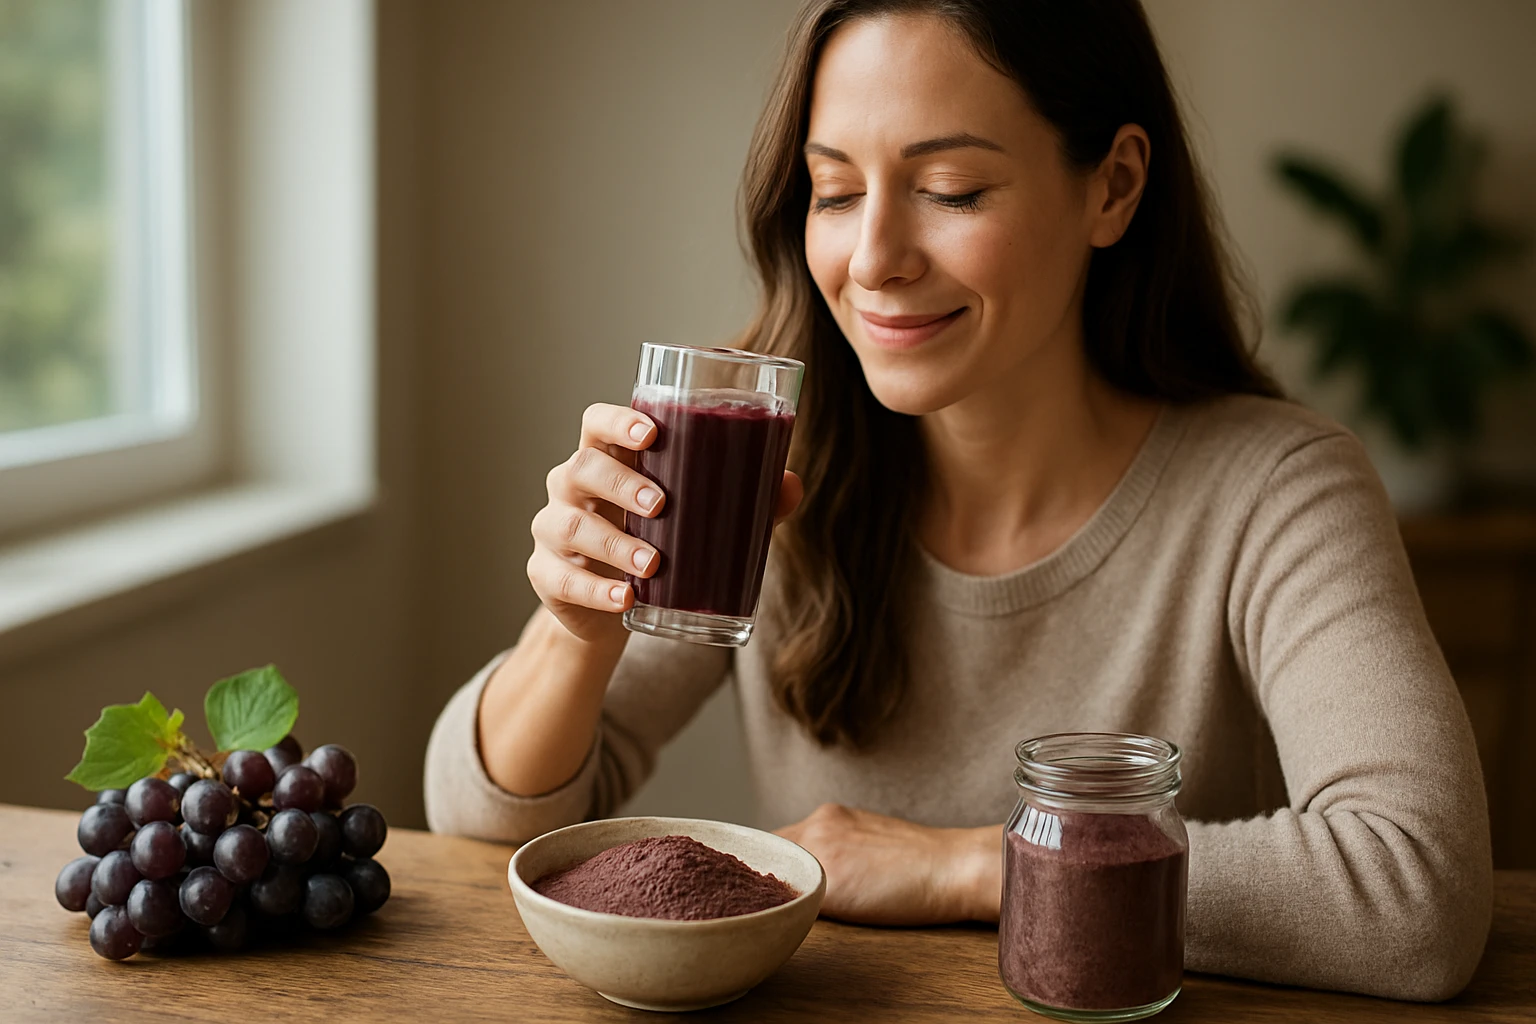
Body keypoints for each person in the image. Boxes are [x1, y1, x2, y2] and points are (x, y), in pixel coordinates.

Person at [424, 0, 1491, 1001]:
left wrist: (960, 864)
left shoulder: (1278, 491)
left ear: (1112, 187)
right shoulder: (767, 470)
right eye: (835, 192)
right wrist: (573, 627)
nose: (874, 259)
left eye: (951, 192)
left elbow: (1416, 888)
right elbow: (478, 826)